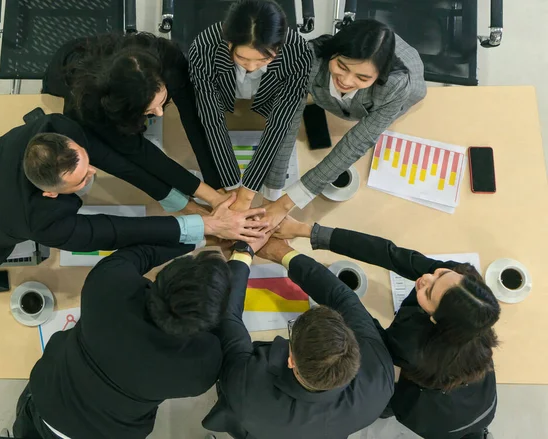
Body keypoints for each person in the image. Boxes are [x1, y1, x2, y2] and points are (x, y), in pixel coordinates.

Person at [274, 217, 499, 439]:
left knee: (386, 397)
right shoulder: (460, 289)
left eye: (428, 293)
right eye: (441, 273)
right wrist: (307, 230)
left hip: (436, 419)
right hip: (475, 394)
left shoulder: (412, 347)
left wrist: (287, 257)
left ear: (435, 320)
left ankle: (385, 408)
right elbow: (392, 254)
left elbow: (355, 314)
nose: (426, 278)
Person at [0, 114, 267, 268]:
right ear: (50, 194)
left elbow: (122, 161)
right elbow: (116, 231)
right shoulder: (43, 223)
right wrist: (208, 225)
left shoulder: (55, 128)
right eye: (82, 178)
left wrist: (197, 200)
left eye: (86, 162)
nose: (95, 171)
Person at [13, 241, 233, 439]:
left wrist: (201, 236)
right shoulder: (200, 366)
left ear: (161, 277)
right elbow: (230, 326)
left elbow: (142, 251)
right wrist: (241, 259)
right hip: (107, 433)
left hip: (47, 400)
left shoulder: (108, 284)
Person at [202, 236, 394, 438]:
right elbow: (343, 298)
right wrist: (283, 253)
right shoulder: (380, 377)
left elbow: (228, 317)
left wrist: (243, 252)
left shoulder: (248, 384)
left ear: (291, 360)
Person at [263, 19, 427, 228]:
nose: (347, 81)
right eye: (341, 66)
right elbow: (285, 124)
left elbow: (355, 143)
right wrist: (272, 194)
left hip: (397, 88)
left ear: (378, 76)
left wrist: (287, 203)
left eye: (362, 77)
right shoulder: (306, 60)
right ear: (333, 52)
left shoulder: (395, 85)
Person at [43, 31, 223, 210]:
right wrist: (200, 200)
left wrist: (216, 186)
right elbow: (141, 154)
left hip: (105, 61)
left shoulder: (168, 59)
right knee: (115, 153)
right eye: (148, 110)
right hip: (65, 79)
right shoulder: (91, 105)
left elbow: (194, 117)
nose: (159, 114)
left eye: (162, 101)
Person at [188, 0, 313, 210]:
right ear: (228, 43)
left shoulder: (299, 52)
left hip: (265, 101)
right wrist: (232, 182)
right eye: (242, 57)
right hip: (227, 98)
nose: (252, 66)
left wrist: (248, 191)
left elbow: (279, 123)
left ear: (279, 48)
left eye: (264, 59)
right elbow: (212, 118)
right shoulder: (204, 47)